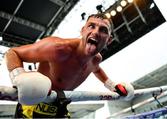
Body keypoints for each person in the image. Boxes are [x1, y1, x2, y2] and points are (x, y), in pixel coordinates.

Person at [4, 13, 134, 118]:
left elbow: (97, 70)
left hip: (60, 107)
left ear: (109, 40)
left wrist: (112, 85)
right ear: (82, 31)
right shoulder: (58, 49)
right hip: (33, 107)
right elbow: (13, 53)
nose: (95, 32)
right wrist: (20, 76)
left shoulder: (95, 60)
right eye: (91, 26)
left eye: (103, 30)